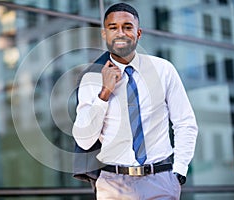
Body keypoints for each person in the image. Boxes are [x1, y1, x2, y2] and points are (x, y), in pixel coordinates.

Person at [72, 2, 198, 199]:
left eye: (127, 27)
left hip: (160, 180)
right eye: (113, 28)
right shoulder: (91, 80)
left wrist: (179, 172)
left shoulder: (163, 70)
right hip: (113, 184)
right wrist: (104, 92)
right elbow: (84, 140)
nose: (120, 33)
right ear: (104, 34)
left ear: (138, 33)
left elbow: (185, 123)